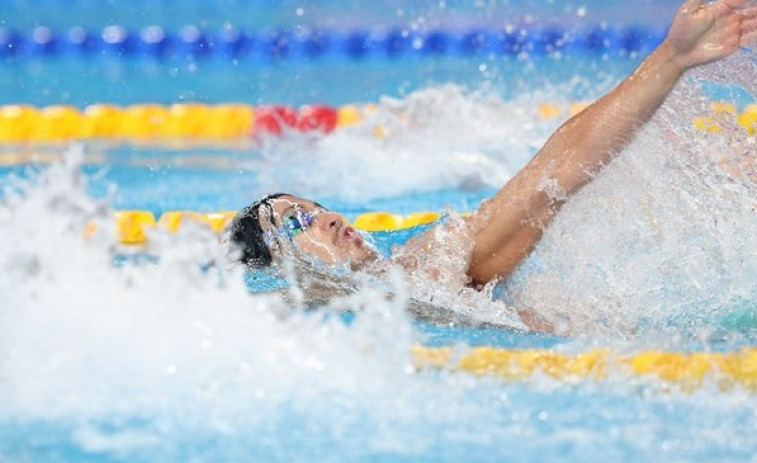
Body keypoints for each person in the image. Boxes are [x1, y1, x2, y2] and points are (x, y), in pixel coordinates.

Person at [230, 0, 757, 328]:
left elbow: (551, 176)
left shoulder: (428, 266)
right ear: (277, 261)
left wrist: (672, 59)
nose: (329, 217)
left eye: (315, 206)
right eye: (296, 222)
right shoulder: (296, 313)